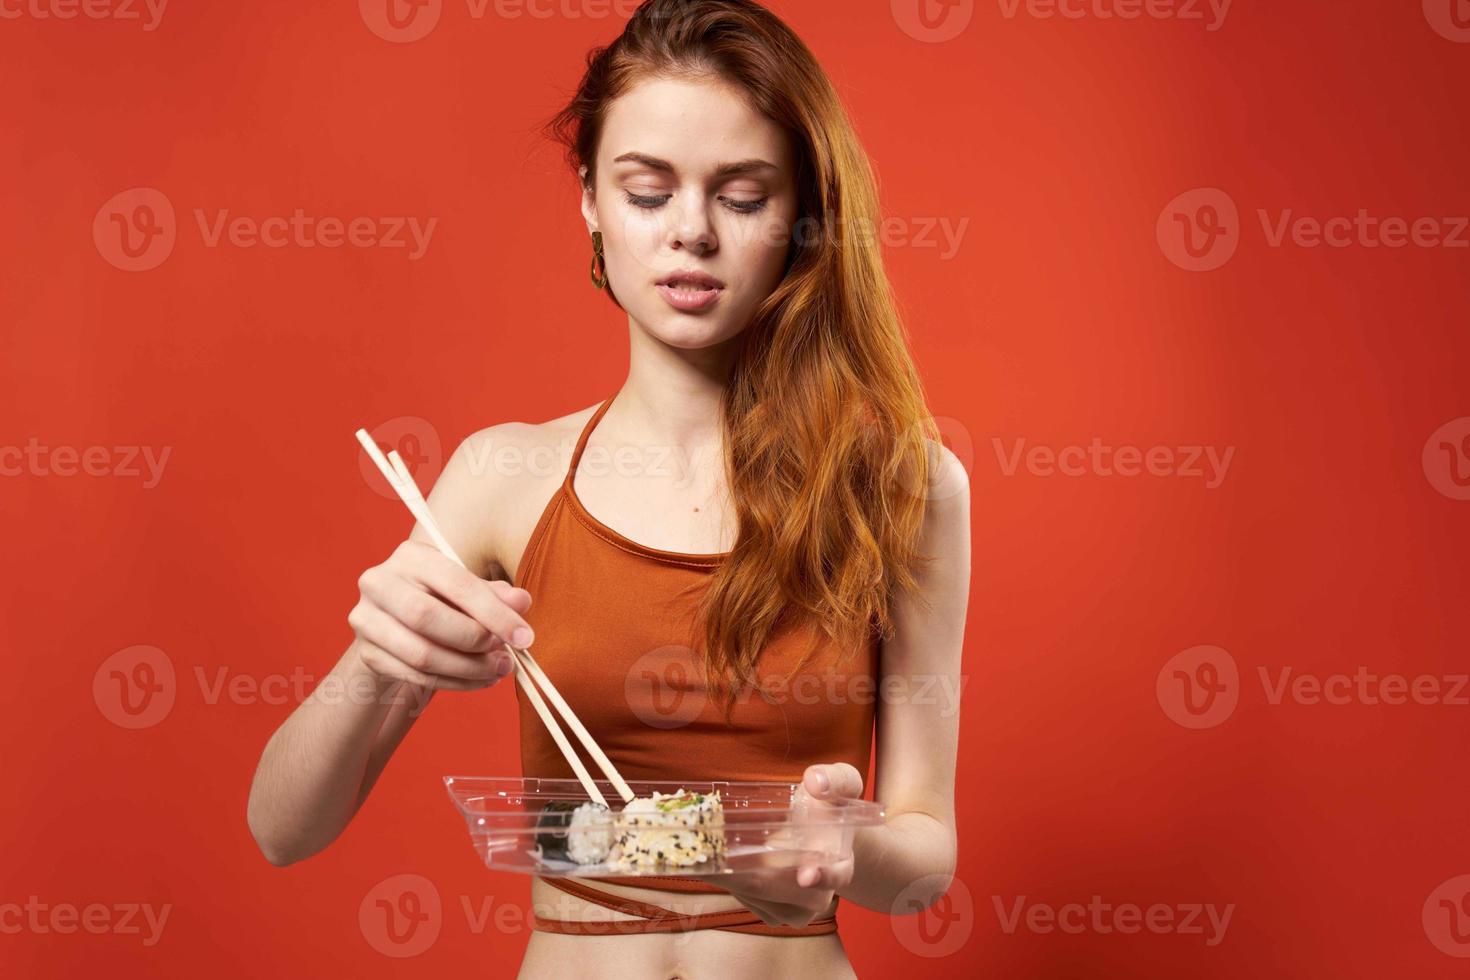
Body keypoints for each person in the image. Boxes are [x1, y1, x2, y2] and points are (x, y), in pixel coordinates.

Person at [247, 2, 970, 976]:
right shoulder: (504, 475)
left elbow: (924, 859)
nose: (691, 234)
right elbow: (281, 828)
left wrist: (847, 851)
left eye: (743, 195)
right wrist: (377, 663)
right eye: (647, 189)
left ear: (802, 214)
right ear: (588, 196)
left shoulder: (905, 486)